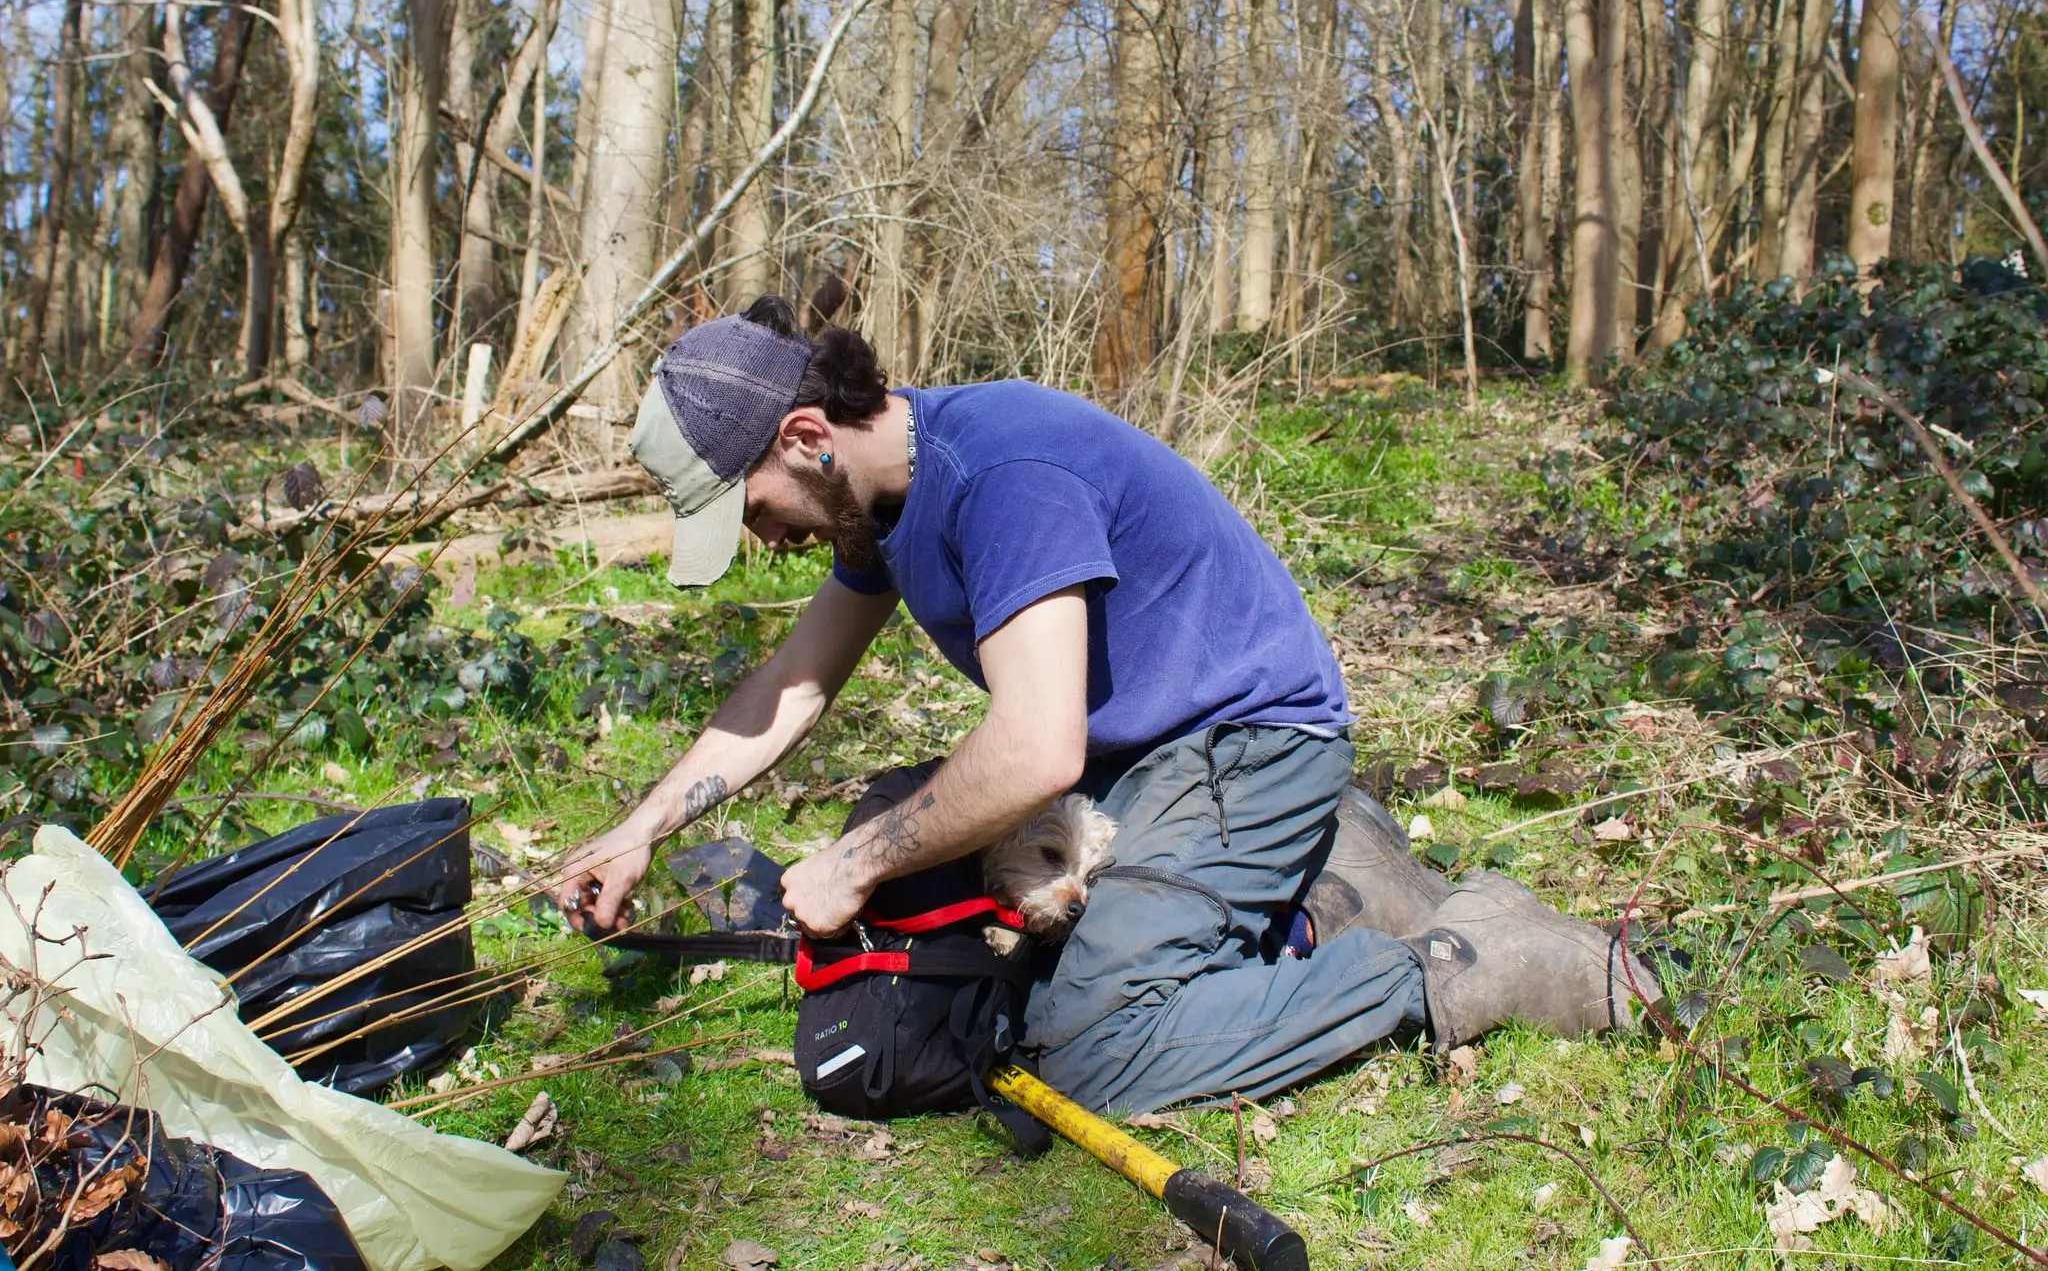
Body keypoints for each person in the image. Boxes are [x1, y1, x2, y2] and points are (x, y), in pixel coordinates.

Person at [551, 296, 1661, 1115]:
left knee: (1086, 1051)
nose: (764, 542)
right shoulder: (879, 501)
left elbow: (1034, 749)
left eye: (752, 512)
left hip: (1247, 746)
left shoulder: (998, 474)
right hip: (1142, 761)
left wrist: (856, 868)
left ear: (803, 439)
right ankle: (1323, 885)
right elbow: (792, 685)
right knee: (907, 829)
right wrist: (640, 830)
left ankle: (1458, 965)